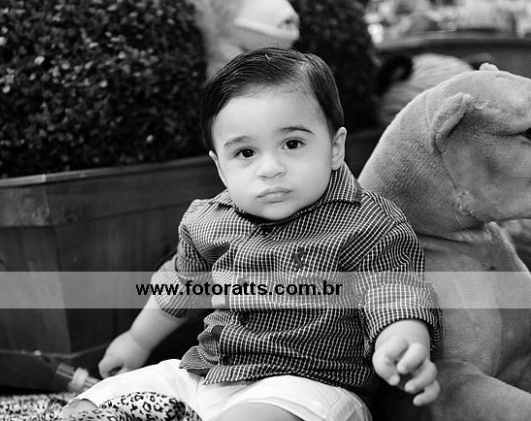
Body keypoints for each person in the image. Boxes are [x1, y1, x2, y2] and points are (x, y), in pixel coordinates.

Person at [62, 47, 443, 421]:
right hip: (208, 374)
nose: (270, 168)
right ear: (221, 167)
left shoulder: (366, 224)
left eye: (292, 144)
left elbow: (394, 293)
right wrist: (136, 341)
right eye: (245, 153)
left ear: (334, 147)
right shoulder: (210, 221)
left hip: (307, 387)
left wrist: (402, 343)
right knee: (96, 400)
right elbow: (180, 285)